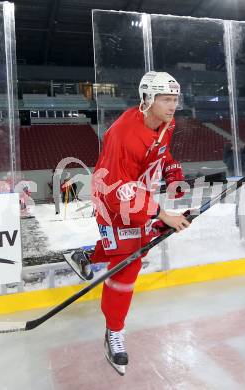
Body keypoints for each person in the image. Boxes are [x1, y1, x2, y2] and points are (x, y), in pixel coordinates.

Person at [64, 71, 190, 375]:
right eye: (165, 99)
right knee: (128, 263)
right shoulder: (123, 134)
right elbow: (119, 188)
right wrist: (161, 214)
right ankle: (113, 332)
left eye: (175, 99)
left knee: (136, 247)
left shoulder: (165, 122)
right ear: (147, 99)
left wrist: (173, 173)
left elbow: (161, 151)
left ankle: (85, 255)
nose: (173, 106)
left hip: (138, 195)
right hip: (112, 200)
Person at [223, 142, 245, 228]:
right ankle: (241, 222)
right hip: (242, 180)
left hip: (239, 180)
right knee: (244, 201)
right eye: (236, 147)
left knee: (242, 201)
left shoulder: (228, 157)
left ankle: (240, 222)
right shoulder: (235, 157)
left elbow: (243, 156)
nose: (239, 148)